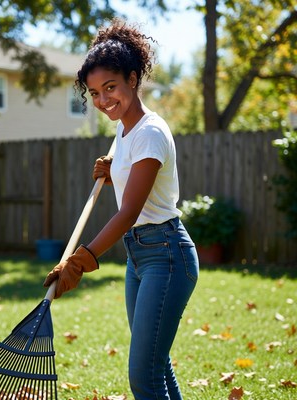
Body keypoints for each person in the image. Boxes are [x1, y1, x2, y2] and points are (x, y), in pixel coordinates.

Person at [44, 18, 199, 400]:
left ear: (133, 79)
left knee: (143, 378)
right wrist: (114, 171)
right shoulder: (125, 130)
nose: (102, 100)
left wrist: (81, 260)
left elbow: (129, 212)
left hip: (166, 254)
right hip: (139, 255)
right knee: (156, 367)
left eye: (109, 88)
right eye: (94, 93)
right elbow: (142, 186)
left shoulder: (150, 131)